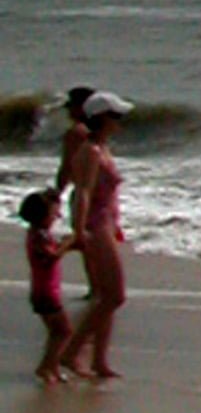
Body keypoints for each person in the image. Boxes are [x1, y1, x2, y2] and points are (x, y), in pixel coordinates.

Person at [64, 90, 128, 383]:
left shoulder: (103, 148)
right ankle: (72, 352)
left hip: (106, 222)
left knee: (105, 296)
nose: (120, 122)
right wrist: (79, 231)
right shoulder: (90, 151)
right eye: (116, 116)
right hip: (95, 224)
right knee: (114, 295)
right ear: (102, 118)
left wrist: (116, 224)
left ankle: (99, 360)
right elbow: (84, 192)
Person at [20, 189, 79, 386]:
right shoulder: (39, 236)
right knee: (64, 331)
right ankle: (45, 366)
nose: (57, 217)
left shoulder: (39, 234)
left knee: (56, 332)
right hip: (45, 293)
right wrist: (68, 243)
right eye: (54, 214)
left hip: (45, 291)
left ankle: (52, 366)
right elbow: (51, 257)